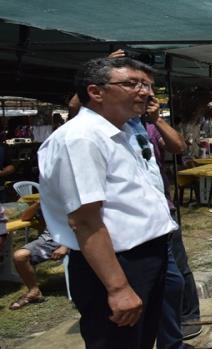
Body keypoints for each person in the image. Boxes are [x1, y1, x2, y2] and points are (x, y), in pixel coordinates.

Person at [37, 57, 177, 348]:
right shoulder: (81, 138)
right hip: (116, 264)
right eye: (131, 83)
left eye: (147, 84)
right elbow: (85, 220)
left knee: (141, 340)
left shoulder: (123, 131)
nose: (145, 91)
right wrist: (118, 287)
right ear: (96, 92)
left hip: (147, 256)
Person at [142, 98, 203, 342]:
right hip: (133, 219)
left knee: (177, 266)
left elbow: (179, 147)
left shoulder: (147, 126)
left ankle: (189, 315)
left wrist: (156, 119)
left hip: (162, 209)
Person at [9, 200, 69, 310]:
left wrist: (66, 246)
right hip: (48, 239)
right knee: (19, 256)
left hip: (72, 238)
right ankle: (34, 291)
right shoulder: (46, 199)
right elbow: (25, 218)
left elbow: (83, 224)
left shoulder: (69, 198)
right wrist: (37, 203)